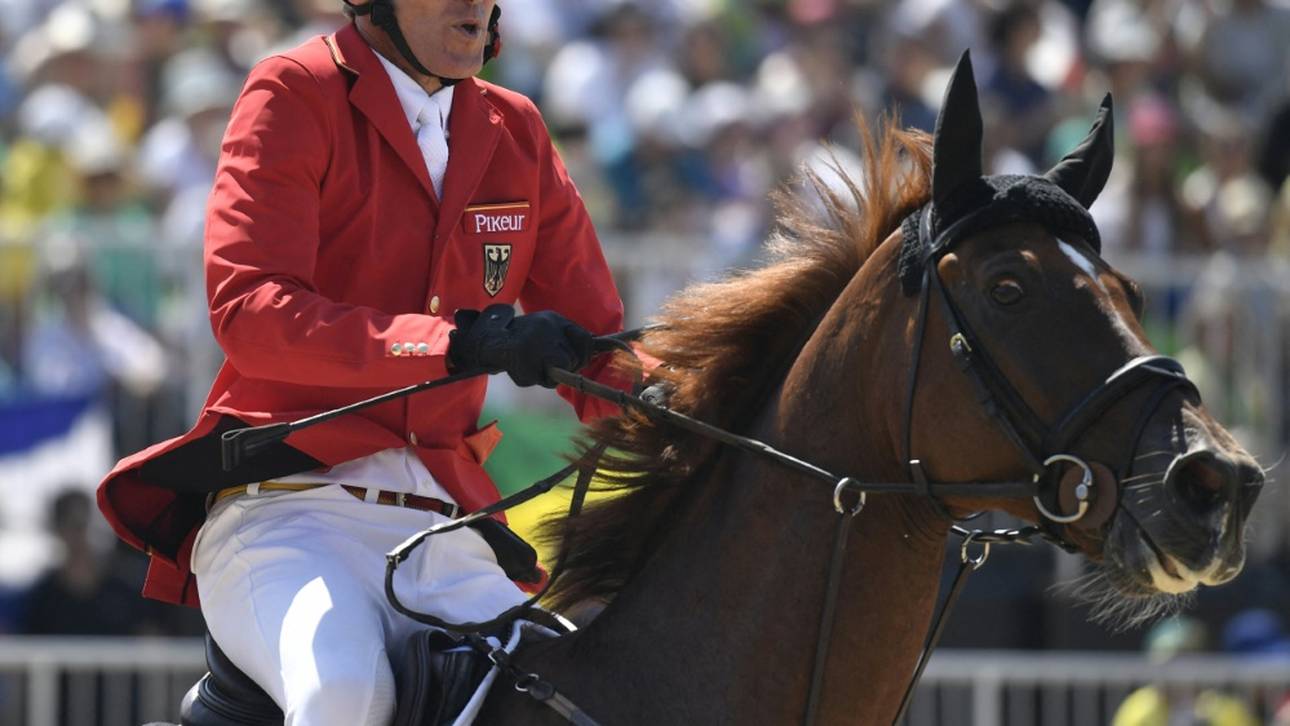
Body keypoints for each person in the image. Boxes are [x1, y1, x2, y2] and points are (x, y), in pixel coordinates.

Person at [95, 0, 625, 723]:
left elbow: (599, 348)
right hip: (287, 514)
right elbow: (250, 311)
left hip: (442, 528)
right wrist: (454, 344)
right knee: (344, 696)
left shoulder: (518, 129)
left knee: (579, 699)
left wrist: (728, 402)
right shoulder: (294, 90)